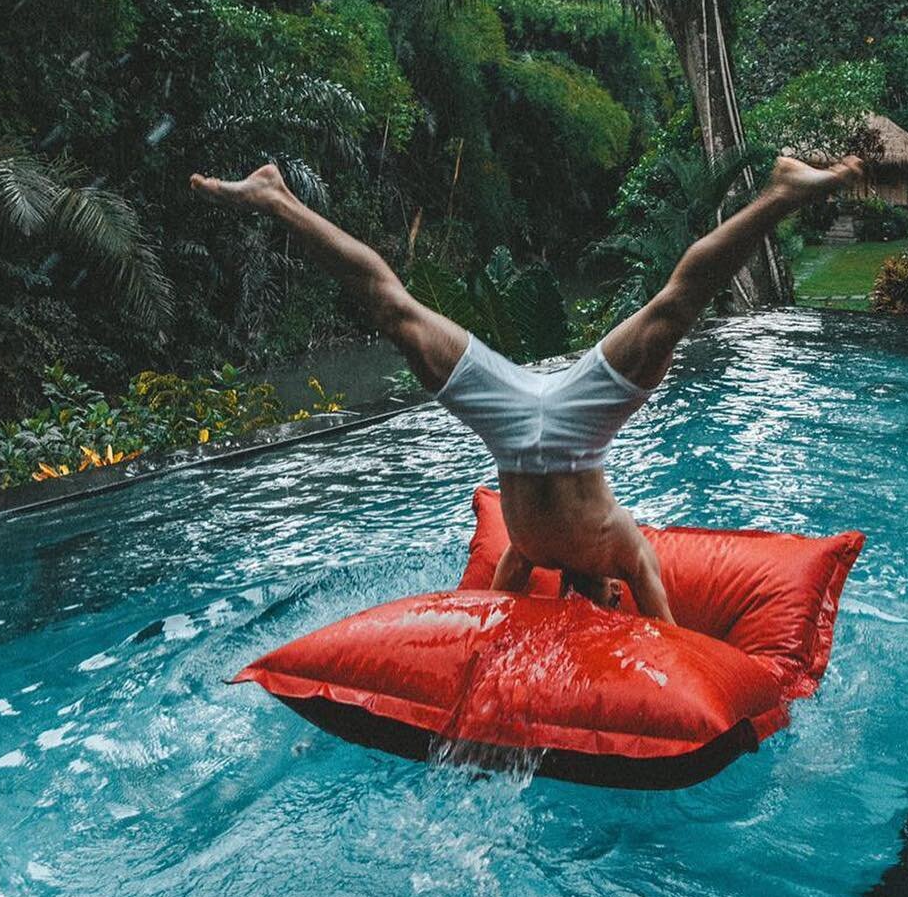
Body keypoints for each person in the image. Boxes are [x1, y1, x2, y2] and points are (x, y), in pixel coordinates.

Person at [190, 152, 866, 623]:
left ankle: (275, 198)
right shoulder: (627, 550)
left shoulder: (527, 555)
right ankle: (277, 195)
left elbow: (495, 614)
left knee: (392, 313)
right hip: (576, 426)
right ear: (614, 590)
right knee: (675, 307)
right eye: (609, 603)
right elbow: (666, 634)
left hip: (513, 426)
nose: (601, 604)